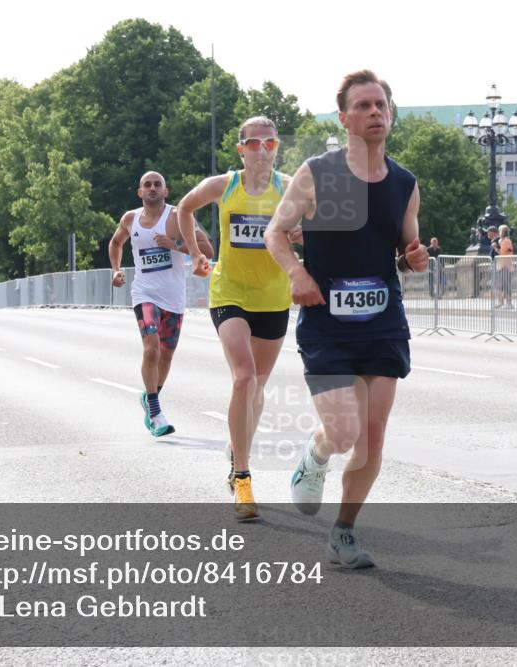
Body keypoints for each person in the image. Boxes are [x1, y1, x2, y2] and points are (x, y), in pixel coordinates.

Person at [265, 70, 428, 568]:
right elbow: (276, 233)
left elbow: (403, 248)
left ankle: (344, 532)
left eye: (381, 105)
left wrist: (414, 259)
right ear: (344, 118)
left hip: (382, 320)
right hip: (326, 320)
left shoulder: (404, 183)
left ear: (390, 114)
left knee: (373, 436)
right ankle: (316, 454)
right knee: (343, 434)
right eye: (363, 106)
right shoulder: (318, 173)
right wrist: (296, 273)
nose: (375, 112)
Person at [177, 116, 301, 522]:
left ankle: (237, 445)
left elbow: (317, 224)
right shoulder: (224, 185)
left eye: (270, 143)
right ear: (241, 148)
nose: (263, 149)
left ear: (277, 147)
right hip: (229, 292)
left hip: (273, 295)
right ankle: (242, 478)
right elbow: (184, 208)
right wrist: (196, 253)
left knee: (258, 387)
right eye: (254, 143)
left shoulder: (289, 186)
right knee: (244, 377)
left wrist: (303, 232)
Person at [109, 171, 213, 438]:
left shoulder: (178, 216)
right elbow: (115, 242)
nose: (152, 188)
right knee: (151, 349)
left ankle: (150, 396)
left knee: (166, 355)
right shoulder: (130, 219)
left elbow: (207, 250)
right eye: (147, 185)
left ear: (165, 191)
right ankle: (155, 412)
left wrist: (174, 244)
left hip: (174, 298)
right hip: (144, 294)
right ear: (139, 192)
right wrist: (115, 270)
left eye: (158, 185)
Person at [494, 224, 514, 309]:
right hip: (502, 265)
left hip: (505, 265)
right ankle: (501, 302)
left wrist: (495, 248)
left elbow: (503, 253)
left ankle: (508, 303)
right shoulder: (502, 240)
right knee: (499, 286)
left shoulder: (506, 241)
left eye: (499, 230)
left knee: (505, 285)